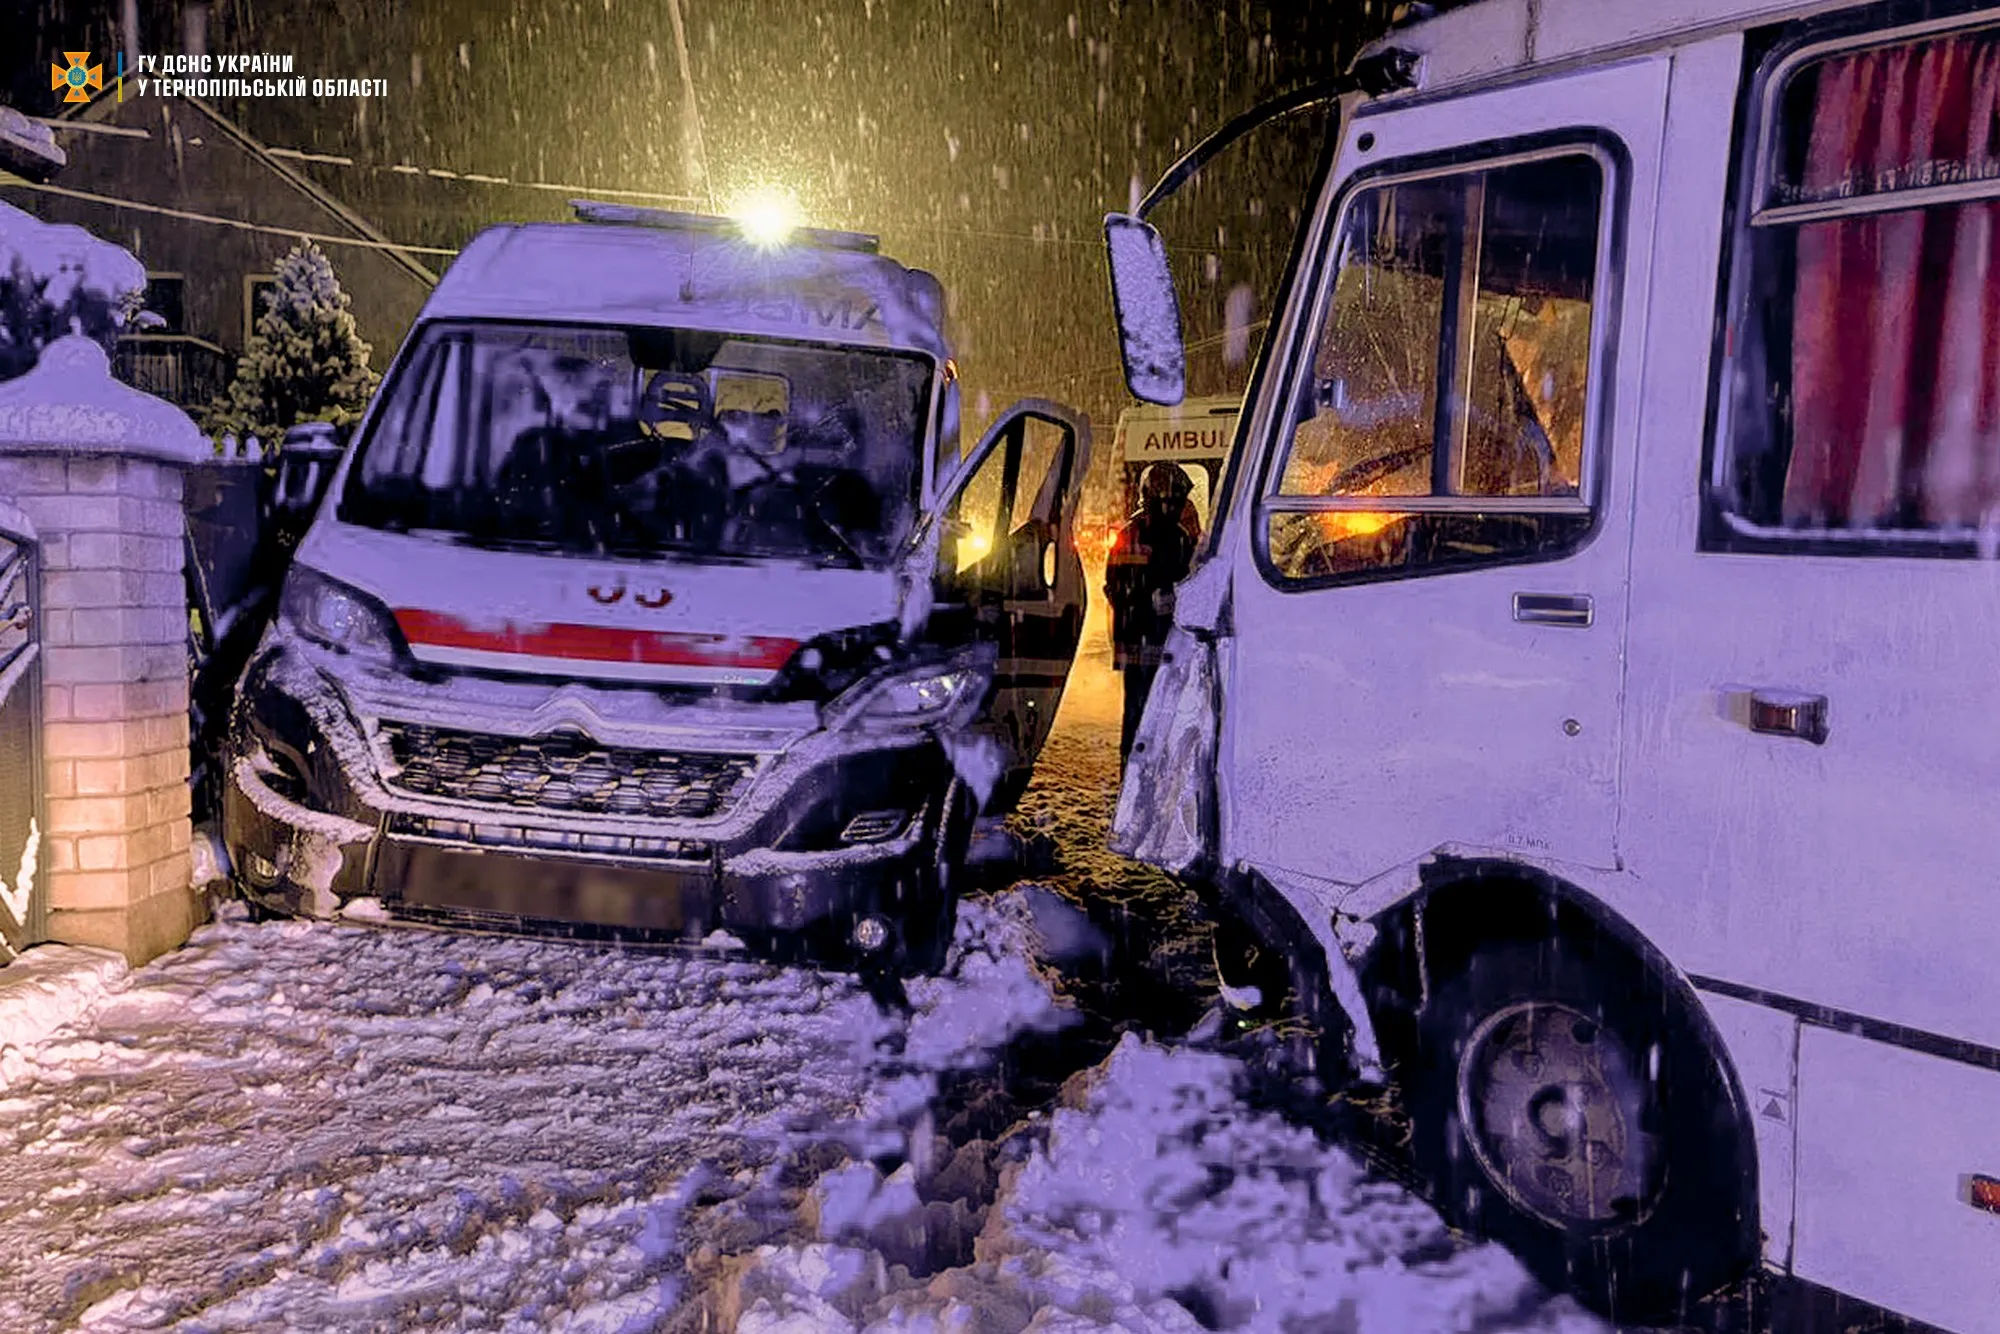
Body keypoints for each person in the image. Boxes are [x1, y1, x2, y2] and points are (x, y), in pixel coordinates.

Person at [1106, 462, 1202, 762]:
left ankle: (1152, 774)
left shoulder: (1179, 536)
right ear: (1155, 498)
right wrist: (1148, 601)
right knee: (1139, 718)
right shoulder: (1132, 536)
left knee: (1165, 718)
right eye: (1171, 501)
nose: (1174, 508)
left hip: (1166, 644)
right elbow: (1115, 588)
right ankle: (1132, 779)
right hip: (1141, 643)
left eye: (1178, 501)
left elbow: (1189, 579)